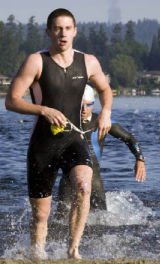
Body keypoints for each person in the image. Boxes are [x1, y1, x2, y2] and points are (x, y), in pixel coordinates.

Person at [5, 8, 113, 260]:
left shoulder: (88, 61)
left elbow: (106, 90)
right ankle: (38, 255)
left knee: (84, 188)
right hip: (43, 144)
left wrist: (105, 112)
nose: (62, 33)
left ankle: (73, 250)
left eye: (67, 28)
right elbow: (11, 101)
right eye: (57, 28)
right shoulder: (36, 61)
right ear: (48, 32)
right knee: (41, 214)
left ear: (75, 31)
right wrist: (43, 110)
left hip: (74, 140)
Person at [56, 84, 146, 214]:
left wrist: (140, 159)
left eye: (88, 104)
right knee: (60, 219)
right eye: (80, 104)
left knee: (101, 218)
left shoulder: (102, 121)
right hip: (68, 178)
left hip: (94, 178)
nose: (84, 109)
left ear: (94, 103)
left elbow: (129, 138)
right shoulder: (63, 122)